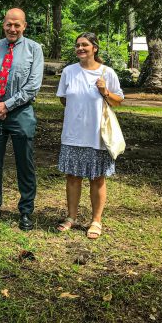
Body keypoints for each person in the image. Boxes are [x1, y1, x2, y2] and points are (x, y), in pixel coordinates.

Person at [0, 8, 44, 231]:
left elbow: (33, 85)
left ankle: (25, 210)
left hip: (20, 113)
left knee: (25, 162)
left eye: (17, 25)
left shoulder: (34, 49)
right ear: (3, 25)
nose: (12, 29)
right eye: (9, 24)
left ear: (24, 26)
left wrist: (7, 105)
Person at [56, 32, 124, 239]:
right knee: (72, 177)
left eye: (84, 45)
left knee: (97, 178)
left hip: (97, 135)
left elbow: (118, 101)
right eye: (77, 45)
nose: (80, 48)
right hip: (73, 134)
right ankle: (71, 217)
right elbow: (64, 99)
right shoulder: (68, 71)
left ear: (95, 48)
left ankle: (96, 221)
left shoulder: (107, 72)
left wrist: (105, 91)